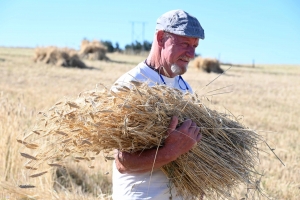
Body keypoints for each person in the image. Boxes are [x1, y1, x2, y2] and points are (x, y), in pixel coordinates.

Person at [111, 9, 205, 200]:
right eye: (185, 44)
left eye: (195, 46)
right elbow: (123, 162)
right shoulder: (131, 86)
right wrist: (172, 150)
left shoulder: (186, 90)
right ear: (161, 38)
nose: (191, 54)